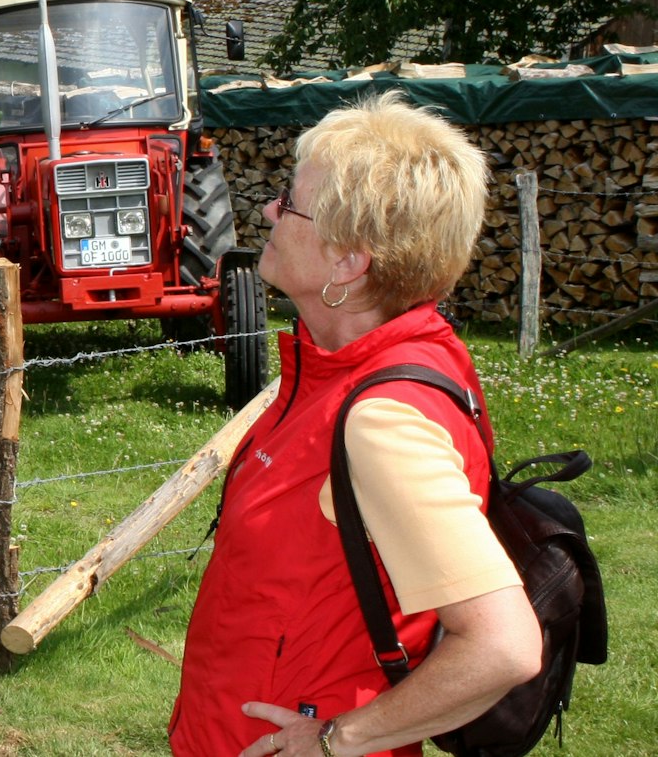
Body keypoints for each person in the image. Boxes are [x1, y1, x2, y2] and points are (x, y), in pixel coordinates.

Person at [172, 91, 541, 757]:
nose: (268, 210)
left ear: (348, 262)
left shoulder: (381, 419)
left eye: (289, 200)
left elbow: (503, 644)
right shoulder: (353, 367)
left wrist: (343, 738)